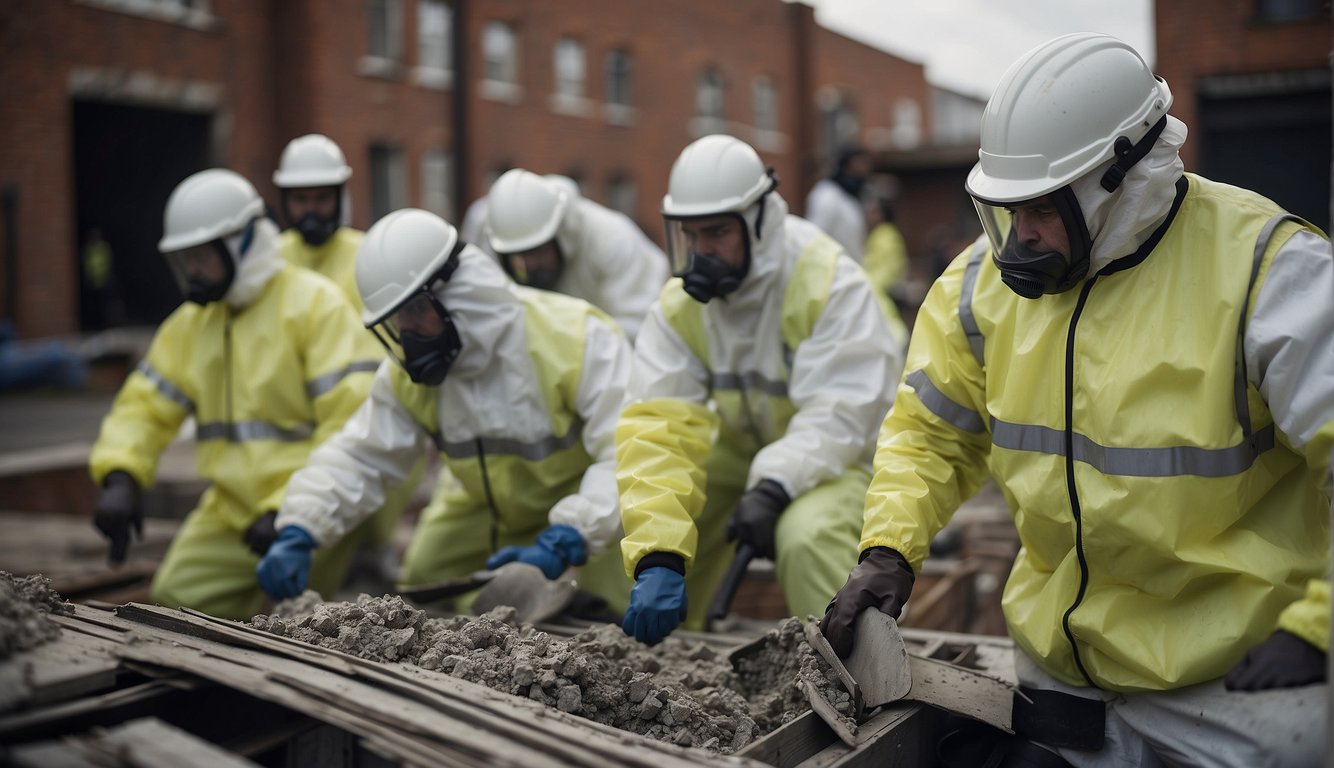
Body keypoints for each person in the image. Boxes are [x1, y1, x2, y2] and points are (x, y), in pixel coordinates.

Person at [819, 33, 1331, 767]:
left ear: (1123, 176)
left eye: (1040, 211)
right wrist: (888, 549)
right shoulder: (979, 288)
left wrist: (1317, 630)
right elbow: (929, 434)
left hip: (1242, 682)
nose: (1018, 240)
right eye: (1005, 212)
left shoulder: (1269, 274)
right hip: (1067, 675)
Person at [256, 208, 635, 617]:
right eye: (398, 318)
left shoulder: (578, 337)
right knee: (421, 585)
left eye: (417, 310)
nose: (408, 331)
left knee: (614, 616)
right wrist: (300, 527)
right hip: (480, 502)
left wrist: (570, 536)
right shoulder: (407, 375)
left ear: (458, 294)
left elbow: (624, 455)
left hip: (581, 506)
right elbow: (361, 455)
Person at [615, 134, 906, 646]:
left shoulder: (827, 280)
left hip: (845, 455)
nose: (702, 251)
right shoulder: (681, 306)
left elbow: (843, 412)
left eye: (717, 232)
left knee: (807, 537)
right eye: (690, 234)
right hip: (748, 450)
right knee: (654, 526)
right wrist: (659, 554)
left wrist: (774, 485)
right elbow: (658, 427)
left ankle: (854, 675)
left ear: (758, 221)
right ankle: (664, 666)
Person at [88, 169, 378, 619]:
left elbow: (353, 423)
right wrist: (122, 475)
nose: (194, 272)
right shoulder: (191, 324)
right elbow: (144, 405)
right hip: (229, 509)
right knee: (174, 600)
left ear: (242, 243)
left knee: (304, 622)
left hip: (311, 507)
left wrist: (288, 509)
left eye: (202, 257)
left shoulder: (314, 305)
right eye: (185, 260)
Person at [272, 133, 416, 585]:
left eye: (321, 198)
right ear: (283, 201)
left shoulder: (370, 257)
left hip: (369, 422)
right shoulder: (270, 264)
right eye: (300, 200)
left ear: (340, 197)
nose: (311, 210)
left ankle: (376, 555)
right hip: (295, 430)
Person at [484, 169, 668, 341]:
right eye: (519, 256)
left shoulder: (612, 240)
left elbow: (640, 330)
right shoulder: (497, 238)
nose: (529, 265)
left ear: (562, 234)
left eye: (537, 252)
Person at [804, 144, 872, 263]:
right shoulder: (826, 194)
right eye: (858, 164)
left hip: (848, 272)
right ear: (845, 165)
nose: (863, 170)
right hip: (829, 274)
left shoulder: (852, 199)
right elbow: (814, 237)